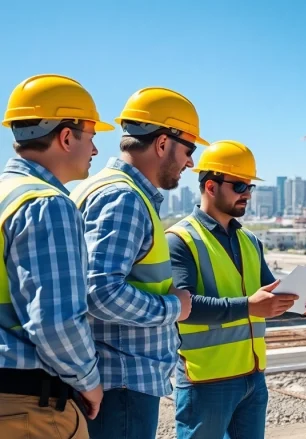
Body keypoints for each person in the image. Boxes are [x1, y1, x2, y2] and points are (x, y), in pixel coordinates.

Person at [166, 140, 306, 439]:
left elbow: (270, 302)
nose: (248, 195)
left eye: (250, 187)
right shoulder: (180, 240)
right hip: (206, 381)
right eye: (240, 186)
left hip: (253, 378)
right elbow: (183, 309)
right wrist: (248, 306)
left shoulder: (250, 242)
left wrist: (304, 306)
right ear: (211, 187)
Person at [70, 86, 208, 439]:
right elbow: (99, 292)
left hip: (113, 381)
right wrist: (173, 307)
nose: (190, 162)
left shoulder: (99, 187)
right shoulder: (124, 198)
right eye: (188, 150)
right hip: (122, 382)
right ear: (162, 144)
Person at [0, 74, 113, 438]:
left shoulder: (6, 195)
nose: (95, 150)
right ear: (67, 137)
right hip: (29, 407)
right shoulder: (46, 204)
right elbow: (56, 322)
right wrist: (88, 381)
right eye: (92, 136)